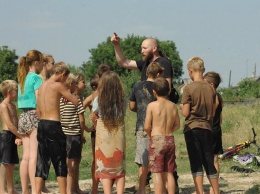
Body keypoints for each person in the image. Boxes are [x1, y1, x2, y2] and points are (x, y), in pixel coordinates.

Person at [111, 32, 180, 192]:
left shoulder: (163, 63)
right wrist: (116, 45)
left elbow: (166, 88)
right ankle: (152, 185)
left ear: (154, 48)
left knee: (155, 162)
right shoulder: (146, 63)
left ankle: (154, 187)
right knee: (154, 159)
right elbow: (124, 62)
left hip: (157, 119)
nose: (141, 50)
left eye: (144, 47)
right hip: (152, 120)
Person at [35, 62, 79, 194]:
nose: (65, 81)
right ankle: (63, 192)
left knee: (42, 160)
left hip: (42, 124)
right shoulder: (58, 85)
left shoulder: (42, 86)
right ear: (63, 74)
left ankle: (36, 192)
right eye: (66, 78)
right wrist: (69, 93)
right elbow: (75, 101)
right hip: (54, 125)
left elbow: (38, 110)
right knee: (60, 160)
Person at [180, 57, 219, 194]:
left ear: (190, 71)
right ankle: (216, 191)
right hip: (207, 128)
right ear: (203, 70)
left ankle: (200, 191)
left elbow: (185, 113)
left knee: (196, 163)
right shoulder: (211, 88)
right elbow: (214, 111)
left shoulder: (188, 88)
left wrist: (182, 107)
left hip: (192, 128)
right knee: (209, 162)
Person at [129, 62, 164, 194]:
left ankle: (142, 188)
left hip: (141, 126)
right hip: (158, 127)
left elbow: (132, 106)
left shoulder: (137, 86)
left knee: (142, 161)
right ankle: (161, 189)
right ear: (158, 74)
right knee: (158, 160)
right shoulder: (159, 87)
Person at [91, 71, 126, 194]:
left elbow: (94, 116)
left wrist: (95, 122)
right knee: (119, 168)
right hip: (118, 138)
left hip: (103, 138)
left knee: (104, 166)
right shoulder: (122, 100)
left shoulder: (98, 100)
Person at [144, 77, 180, 194]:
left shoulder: (152, 105)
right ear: (169, 91)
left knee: (157, 172)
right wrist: (169, 130)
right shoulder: (173, 106)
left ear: (154, 92)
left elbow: (146, 126)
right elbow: (178, 125)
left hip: (157, 138)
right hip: (169, 138)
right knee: (169, 172)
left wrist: (151, 136)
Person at [17, 50, 43, 194]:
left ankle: (24, 190)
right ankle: (35, 190)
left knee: (25, 157)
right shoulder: (37, 78)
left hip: (23, 117)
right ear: (36, 63)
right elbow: (39, 98)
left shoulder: (22, 78)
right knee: (34, 155)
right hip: (34, 115)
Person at [0, 80, 22, 194]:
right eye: (16, 90)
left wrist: (18, 136)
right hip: (6, 135)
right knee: (4, 162)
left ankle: (11, 188)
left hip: (14, 135)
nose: (18, 92)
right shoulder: (3, 105)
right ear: (9, 92)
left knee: (12, 163)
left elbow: (16, 121)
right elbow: (9, 124)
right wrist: (21, 135)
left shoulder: (13, 105)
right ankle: (2, 189)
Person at [204, 72, 223, 178]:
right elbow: (220, 117)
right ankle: (213, 188)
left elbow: (212, 113)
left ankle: (213, 188)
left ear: (211, 85)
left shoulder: (213, 96)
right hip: (217, 128)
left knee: (210, 160)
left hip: (210, 129)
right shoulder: (220, 97)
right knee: (214, 159)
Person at [82, 74, 99, 194]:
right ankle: (94, 188)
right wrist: (86, 128)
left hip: (102, 130)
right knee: (95, 159)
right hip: (96, 131)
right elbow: (79, 110)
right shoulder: (90, 98)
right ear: (94, 87)